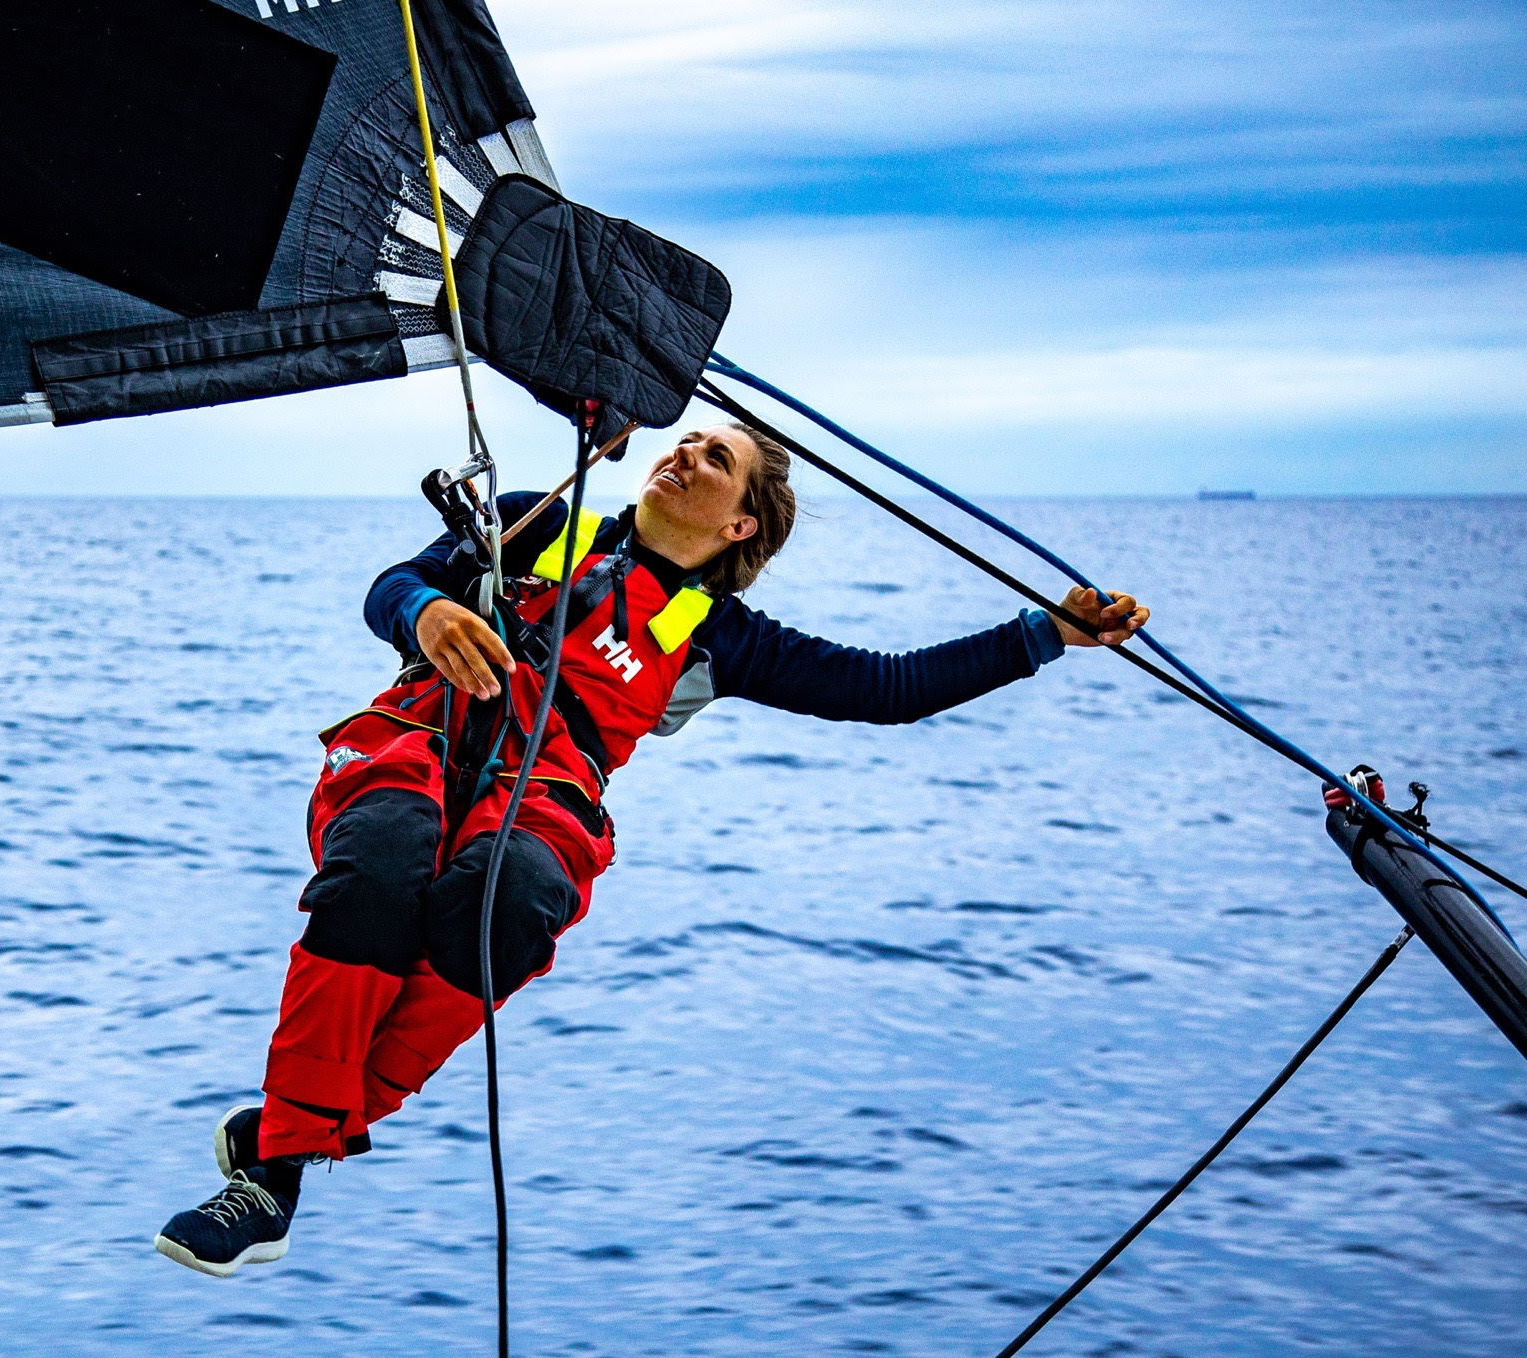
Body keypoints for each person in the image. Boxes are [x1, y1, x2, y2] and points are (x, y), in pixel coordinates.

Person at [155, 421, 1148, 1276]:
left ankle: (281, 1143)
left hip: (542, 798)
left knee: (509, 907)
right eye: (685, 441)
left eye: (715, 457)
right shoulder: (545, 521)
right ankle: (279, 1166)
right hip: (415, 741)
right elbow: (392, 587)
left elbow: (883, 688)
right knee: (378, 872)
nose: (686, 453)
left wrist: (1046, 633)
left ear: (739, 523)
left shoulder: (719, 636)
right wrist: (428, 609)